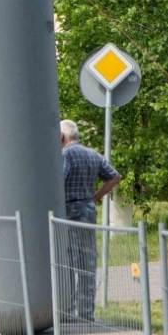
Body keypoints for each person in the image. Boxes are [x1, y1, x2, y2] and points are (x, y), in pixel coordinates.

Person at [60, 118, 121, 321]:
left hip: (69, 211)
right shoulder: (92, 154)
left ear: (62, 137)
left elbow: (59, 179)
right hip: (88, 210)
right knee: (87, 261)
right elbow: (114, 176)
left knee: (68, 261)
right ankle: (86, 313)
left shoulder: (65, 154)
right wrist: (95, 197)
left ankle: (66, 313)